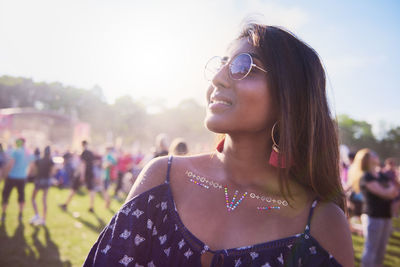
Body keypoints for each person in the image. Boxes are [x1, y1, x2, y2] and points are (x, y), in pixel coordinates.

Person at [84, 23, 353, 266]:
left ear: (289, 97)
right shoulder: (162, 178)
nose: (217, 78)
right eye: (222, 65)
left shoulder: (322, 223)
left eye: (242, 66)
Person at [349, 149, 398, 267]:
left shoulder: (381, 175)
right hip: (373, 216)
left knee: (381, 250)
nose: (376, 156)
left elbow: (393, 192)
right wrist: (388, 190)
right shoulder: (366, 177)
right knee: (371, 249)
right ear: (367, 159)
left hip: (386, 215)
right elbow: (384, 193)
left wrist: (388, 190)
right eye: (373, 155)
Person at [1, 138, 34, 222]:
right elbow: (31, 166)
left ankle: (3, 214)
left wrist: (4, 175)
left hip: (12, 177)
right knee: (21, 196)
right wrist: (26, 174)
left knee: (5, 195)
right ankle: (20, 214)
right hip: (22, 178)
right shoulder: (28, 152)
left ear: (19, 142)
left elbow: (10, 164)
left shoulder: (16, 151)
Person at [60, 140, 96, 213]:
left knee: (74, 189)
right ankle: (91, 207)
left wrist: (82, 176)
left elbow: (83, 164)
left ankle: (65, 204)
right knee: (91, 189)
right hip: (90, 173)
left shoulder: (84, 152)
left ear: (82, 145)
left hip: (83, 174)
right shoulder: (91, 153)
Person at [30, 146, 55, 226]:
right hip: (46, 180)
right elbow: (52, 171)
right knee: (44, 199)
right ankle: (43, 220)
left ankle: (37, 215)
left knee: (33, 198)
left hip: (39, 180)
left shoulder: (39, 160)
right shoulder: (50, 161)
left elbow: (33, 169)